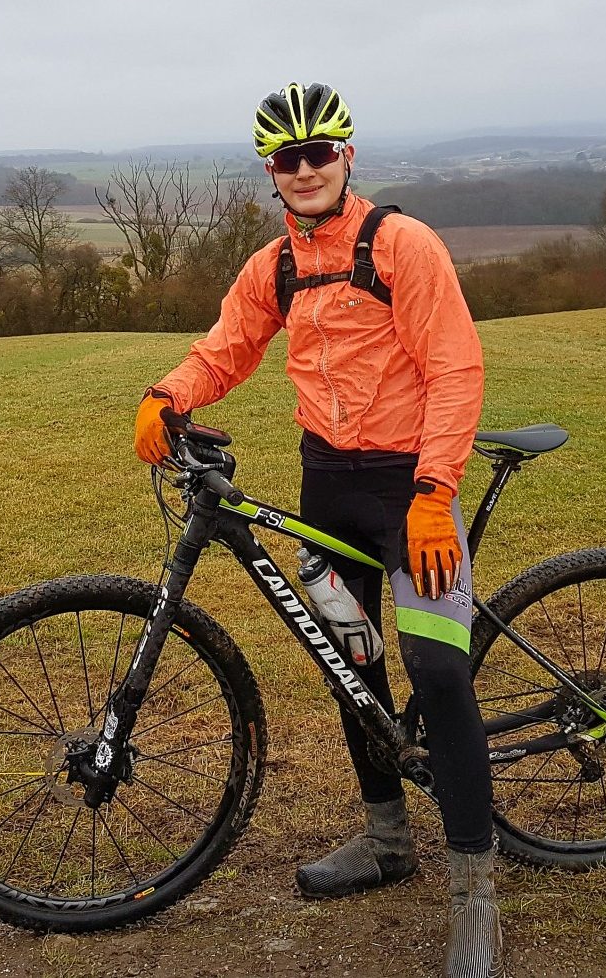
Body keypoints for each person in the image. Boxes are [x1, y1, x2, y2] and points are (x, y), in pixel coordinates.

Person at [133, 82, 500, 977]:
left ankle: (476, 900)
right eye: (287, 159)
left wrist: (432, 488)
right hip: (327, 482)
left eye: (319, 153)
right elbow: (229, 343)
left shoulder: (403, 246)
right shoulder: (277, 265)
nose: (304, 170)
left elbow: (456, 369)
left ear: (347, 156)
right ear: (271, 171)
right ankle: (386, 840)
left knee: (439, 672)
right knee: (350, 661)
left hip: (412, 487)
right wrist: (171, 391)